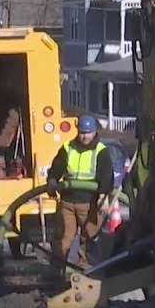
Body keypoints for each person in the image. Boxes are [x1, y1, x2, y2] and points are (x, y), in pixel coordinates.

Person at [45, 114, 114, 272]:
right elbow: (57, 166)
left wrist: (103, 195)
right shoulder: (68, 148)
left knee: (89, 237)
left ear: (94, 132)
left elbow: (106, 175)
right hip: (68, 201)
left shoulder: (101, 151)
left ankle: (86, 270)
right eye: (82, 132)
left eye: (88, 133)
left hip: (89, 203)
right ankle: (57, 270)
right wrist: (52, 180)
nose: (84, 136)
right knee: (63, 238)